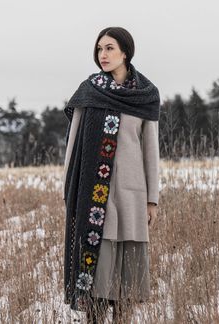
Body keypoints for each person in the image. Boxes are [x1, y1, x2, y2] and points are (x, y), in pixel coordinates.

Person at [62, 26, 160, 323]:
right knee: (95, 282)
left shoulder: (145, 95)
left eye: (109, 48)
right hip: (93, 199)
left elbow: (150, 152)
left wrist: (152, 200)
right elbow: (72, 147)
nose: (102, 55)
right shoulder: (89, 92)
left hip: (132, 197)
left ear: (125, 52)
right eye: (99, 49)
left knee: (127, 285)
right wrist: (69, 192)